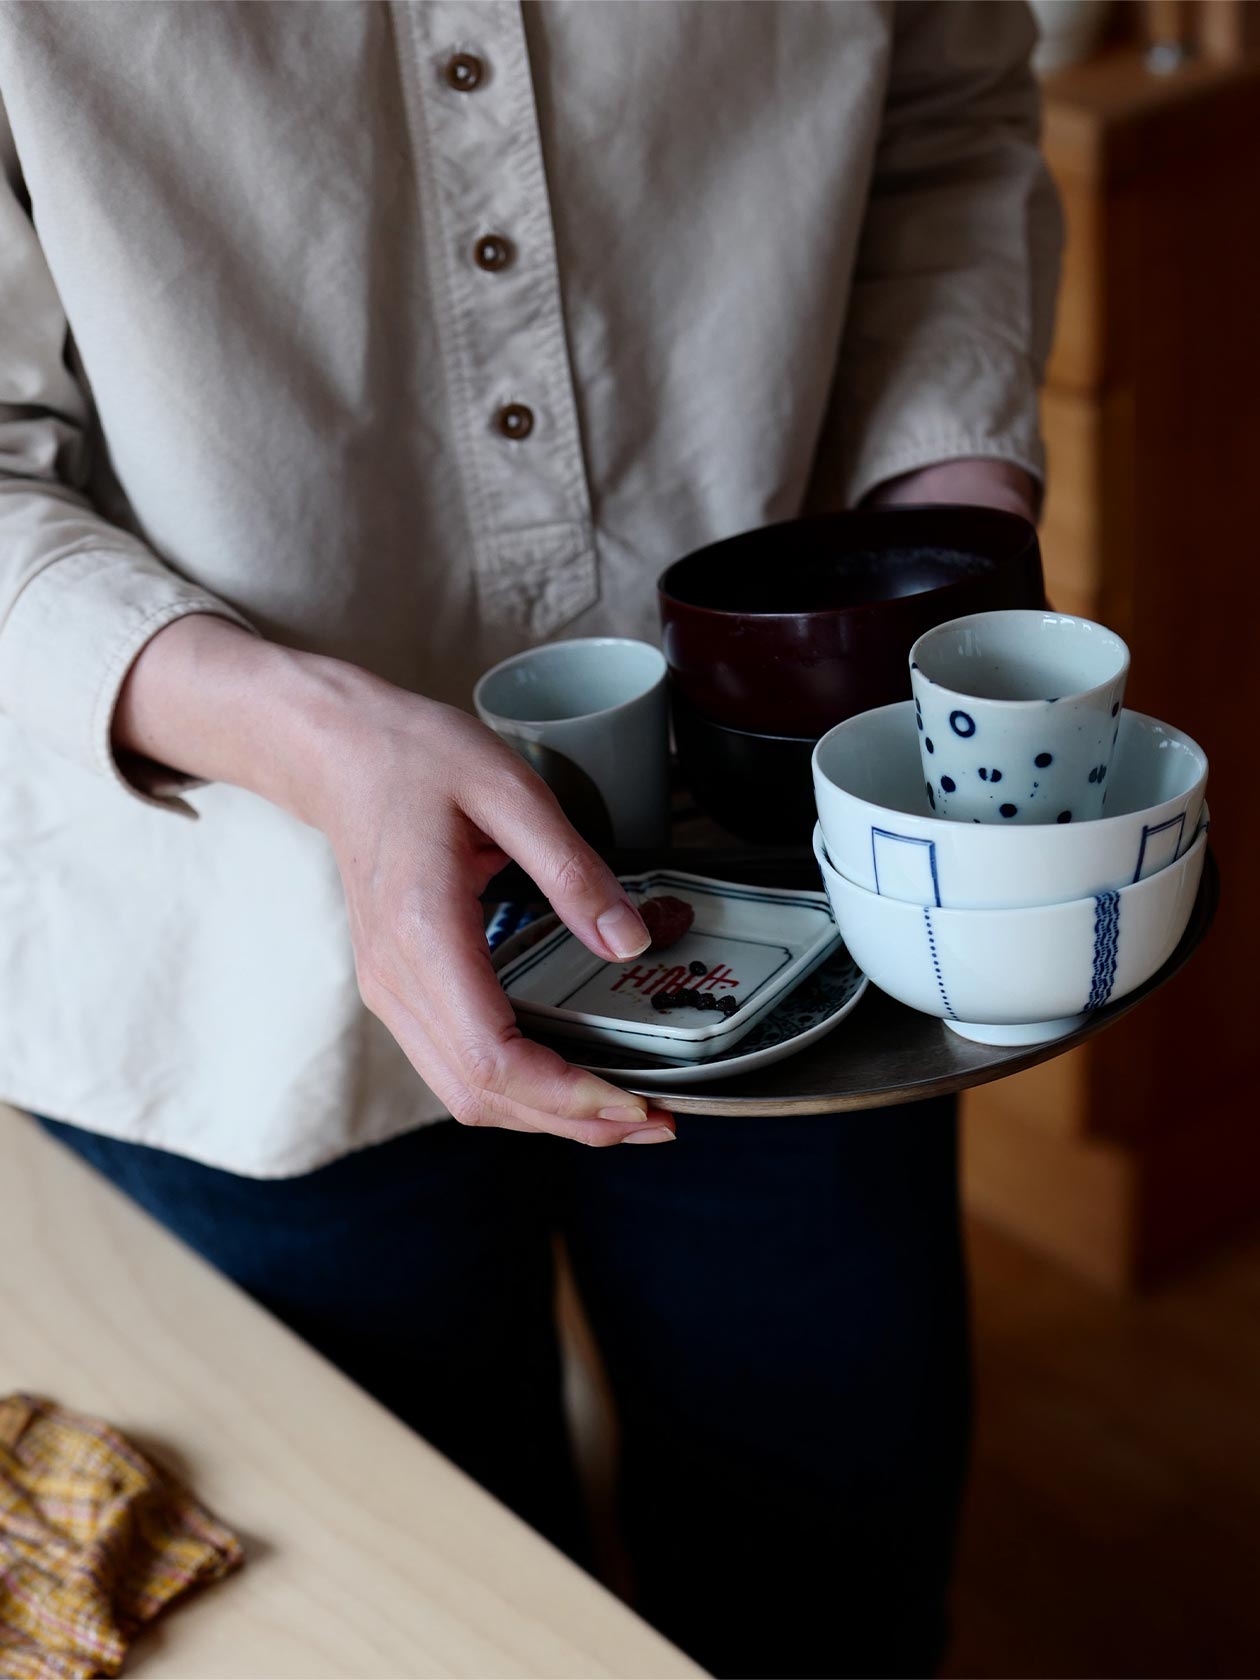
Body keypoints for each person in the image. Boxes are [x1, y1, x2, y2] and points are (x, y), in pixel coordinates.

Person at [0, 4, 1060, 1674]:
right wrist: (318, 739)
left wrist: (943, 540)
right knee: (452, 1635)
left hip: (793, 908)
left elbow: (947, 129)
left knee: (836, 1596)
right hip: (235, 955)